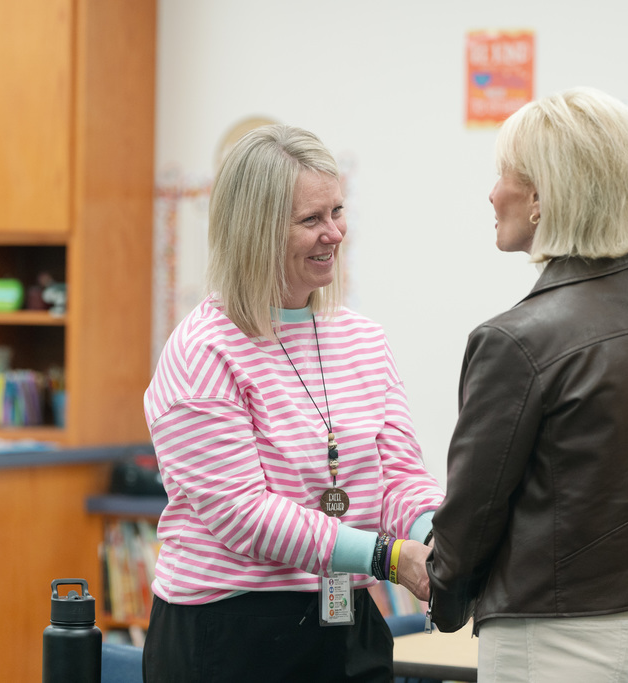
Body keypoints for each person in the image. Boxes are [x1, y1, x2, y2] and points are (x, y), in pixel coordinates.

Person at [141, 124, 444, 681]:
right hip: (230, 631)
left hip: (343, 619)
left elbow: (399, 474)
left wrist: (436, 536)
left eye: (337, 211)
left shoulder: (363, 339)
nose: (334, 233)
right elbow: (245, 516)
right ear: (255, 232)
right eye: (311, 220)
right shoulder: (203, 350)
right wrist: (389, 558)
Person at [424, 87, 628, 682]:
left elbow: (475, 509)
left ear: (538, 198)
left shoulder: (516, 340)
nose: (492, 190)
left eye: (503, 173)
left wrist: (444, 598)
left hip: (554, 635)